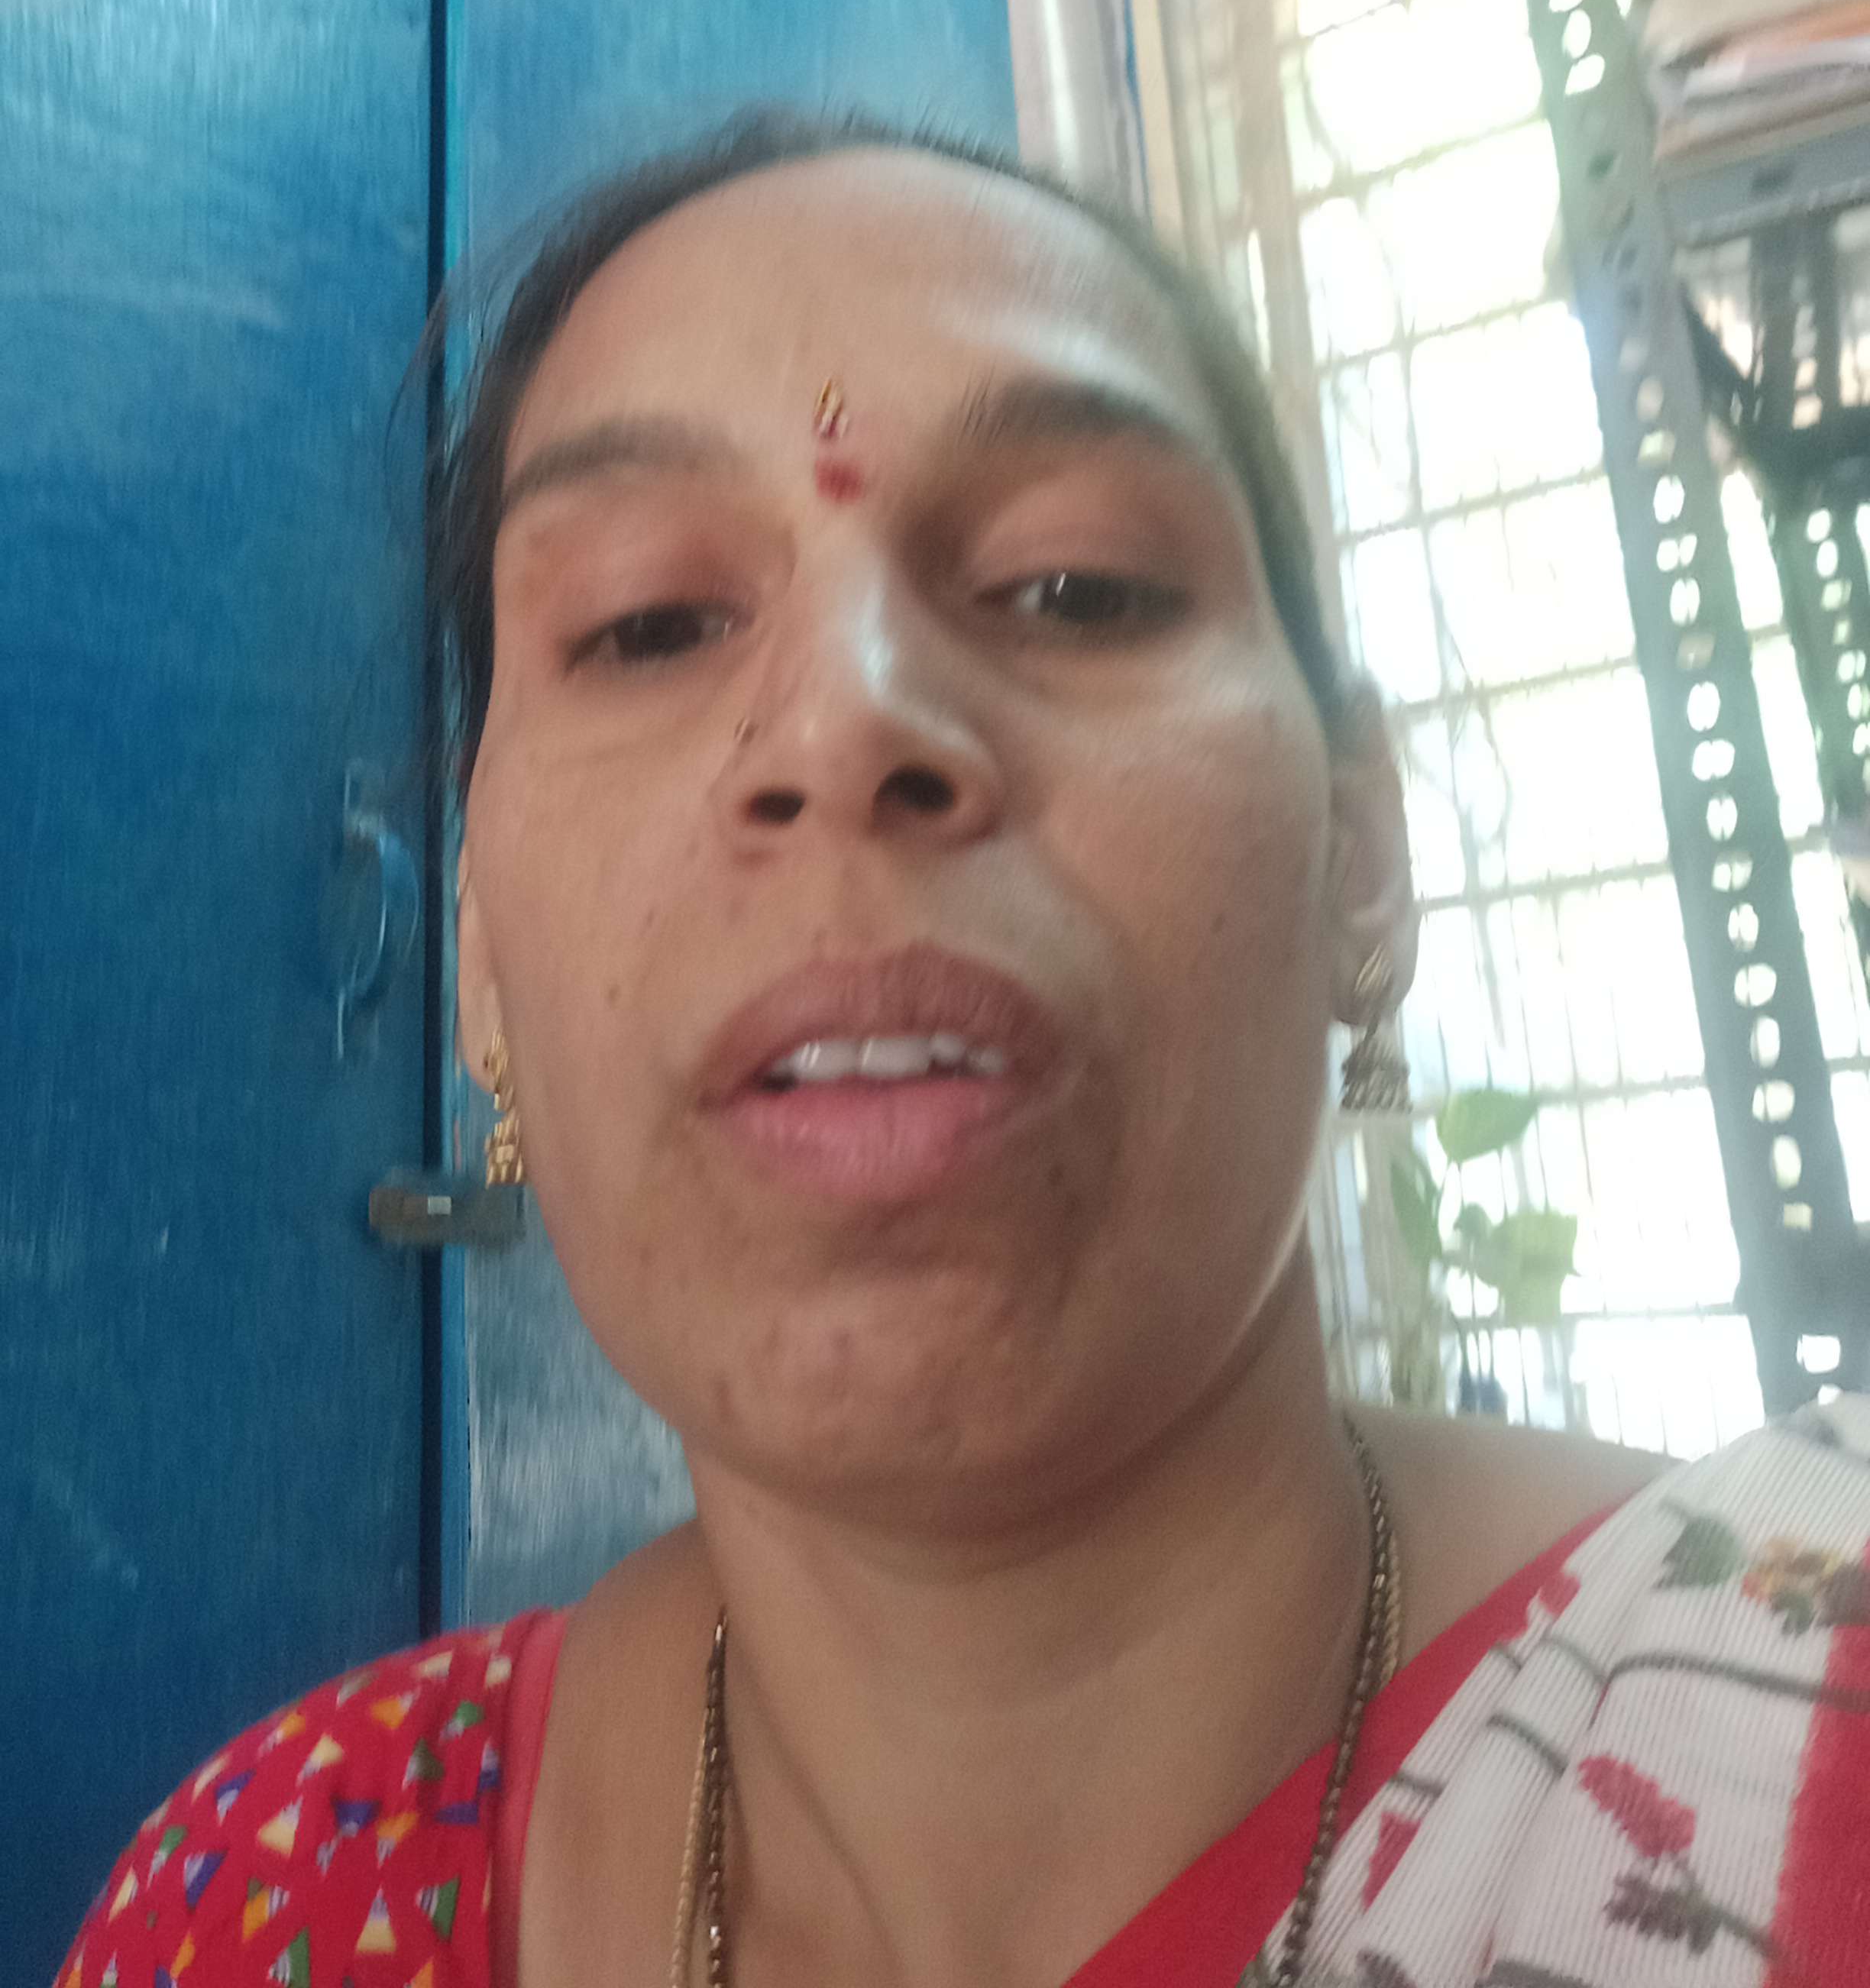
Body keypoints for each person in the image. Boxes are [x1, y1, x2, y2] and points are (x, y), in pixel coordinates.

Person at [60, 115, 1870, 1988]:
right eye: (649, 624)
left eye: (1076, 584)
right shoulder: (277, 1896)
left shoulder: (1794, 1698)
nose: (843, 721)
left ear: (1362, 855)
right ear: (482, 970)